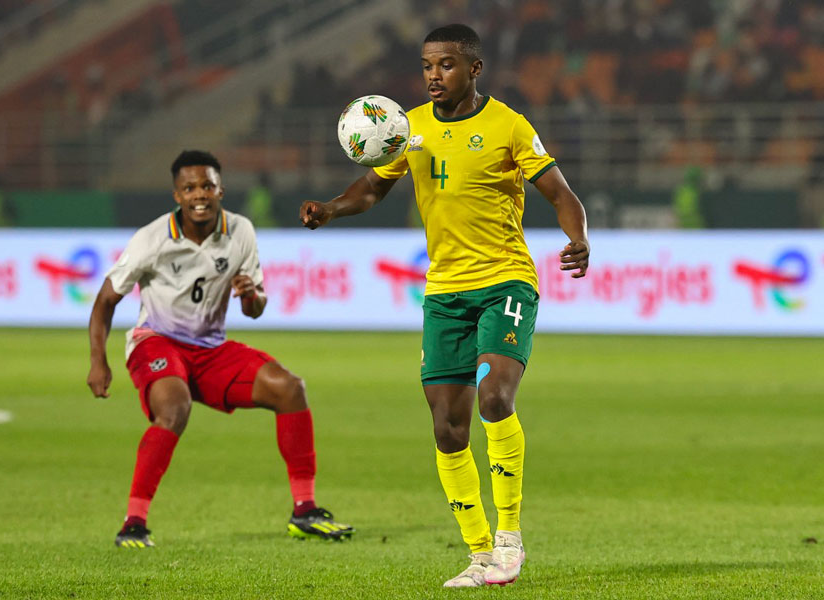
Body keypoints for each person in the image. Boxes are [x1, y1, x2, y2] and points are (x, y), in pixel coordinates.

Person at [300, 24, 589, 588]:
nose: (435, 75)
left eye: (448, 65)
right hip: (444, 294)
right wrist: (332, 209)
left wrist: (576, 239)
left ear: (474, 69)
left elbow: (561, 193)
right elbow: (371, 188)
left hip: (505, 282)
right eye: (429, 65)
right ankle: (480, 554)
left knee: (494, 395)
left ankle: (510, 539)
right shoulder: (407, 130)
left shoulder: (508, 124)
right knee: (448, 429)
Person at [88, 150, 353, 548]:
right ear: (176, 195)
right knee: (175, 409)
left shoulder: (241, 231)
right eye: (190, 187)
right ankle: (134, 522)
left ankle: (305, 510)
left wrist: (250, 295)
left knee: (290, 388)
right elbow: (106, 300)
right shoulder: (152, 238)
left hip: (210, 350)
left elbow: (256, 308)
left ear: (220, 189)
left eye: (207, 186)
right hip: (157, 341)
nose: (200, 194)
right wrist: (99, 362)